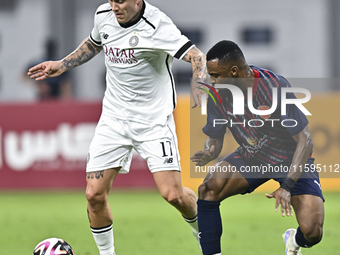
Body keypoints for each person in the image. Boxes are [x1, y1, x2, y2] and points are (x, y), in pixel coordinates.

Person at [28, 0, 206, 254]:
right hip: (114, 119)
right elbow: (94, 43)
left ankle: (203, 233)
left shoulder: (157, 25)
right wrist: (63, 64)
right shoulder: (103, 14)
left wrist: (198, 87)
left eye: (120, 0)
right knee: (94, 195)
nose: (114, 6)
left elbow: (197, 57)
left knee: (173, 195)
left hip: (152, 121)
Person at [190, 40, 324, 255]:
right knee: (208, 188)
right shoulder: (217, 95)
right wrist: (210, 151)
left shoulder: (274, 86)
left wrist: (287, 186)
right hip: (253, 156)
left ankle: (293, 241)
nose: (211, 81)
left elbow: (305, 140)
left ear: (234, 71)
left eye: (215, 75)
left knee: (312, 232)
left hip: (290, 159)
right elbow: (215, 139)